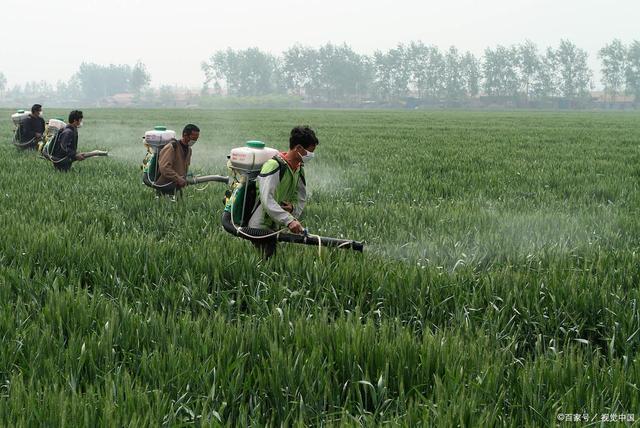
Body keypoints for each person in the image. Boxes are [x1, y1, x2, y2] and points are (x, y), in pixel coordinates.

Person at [234, 125, 318, 258]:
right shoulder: (273, 166)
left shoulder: (299, 168)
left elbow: (301, 196)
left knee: (271, 260)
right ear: (298, 148)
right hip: (259, 225)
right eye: (309, 152)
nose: (311, 155)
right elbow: (267, 199)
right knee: (267, 260)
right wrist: (289, 221)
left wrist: (293, 209)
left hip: (275, 224)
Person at [153, 124, 200, 195]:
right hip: (164, 186)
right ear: (185, 135)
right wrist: (178, 178)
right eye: (193, 138)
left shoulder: (189, 150)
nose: (194, 141)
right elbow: (164, 168)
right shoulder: (172, 147)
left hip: (176, 187)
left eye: (196, 139)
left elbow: (183, 167)